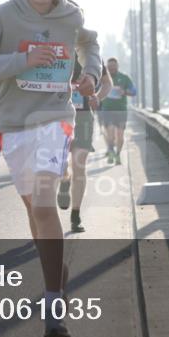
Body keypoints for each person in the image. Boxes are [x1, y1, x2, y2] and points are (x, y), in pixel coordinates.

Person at [0, 0, 101, 337]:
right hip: (14, 124)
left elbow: (89, 44)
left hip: (55, 119)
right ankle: (57, 271)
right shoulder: (3, 16)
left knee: (43, 204)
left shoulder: (71, 15)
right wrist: (24, 60)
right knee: (35, 211)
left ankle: (54, 304)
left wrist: (90, 74)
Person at [58, 58, 112, 232]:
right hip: (58, 117)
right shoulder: (58, 48)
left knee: (79, 164)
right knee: (60, 163)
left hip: (83, 119)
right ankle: (64, 179)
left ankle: (75, 215)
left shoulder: (91, 56)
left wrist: (97, 97)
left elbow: (107, 83)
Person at [100, 58, 137, 165]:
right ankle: (111, 151)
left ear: (117, 66)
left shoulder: (124, 78)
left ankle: (118, 154)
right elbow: (94, 89)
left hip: (121, 110)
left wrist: (124, 92)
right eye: (109, 67)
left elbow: (134, 91)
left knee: (120, 135)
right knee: (110, 132)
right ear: (107, 67)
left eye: (114, 66)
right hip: (107, 110)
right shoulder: (103, 78)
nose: (112, 68)